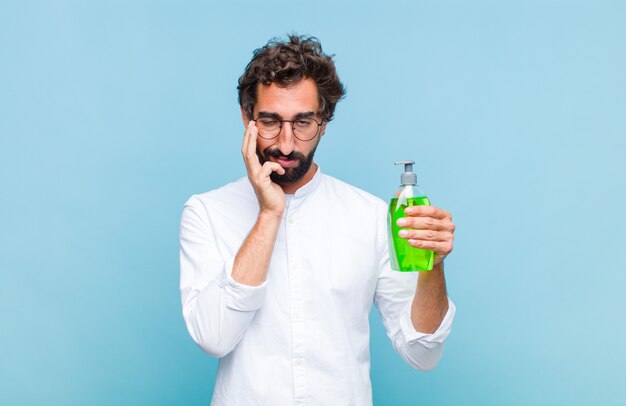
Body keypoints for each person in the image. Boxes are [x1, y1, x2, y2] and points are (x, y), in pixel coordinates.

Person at [179, 34, 456, 405]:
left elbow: (422, 352)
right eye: (270, 121)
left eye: (304, 122)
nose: (287, 144)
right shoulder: (206, 212)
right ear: (247, 118)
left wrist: (432, 268)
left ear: (324, 122)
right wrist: (269, 214)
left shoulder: (370, 216)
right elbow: (213, 337)